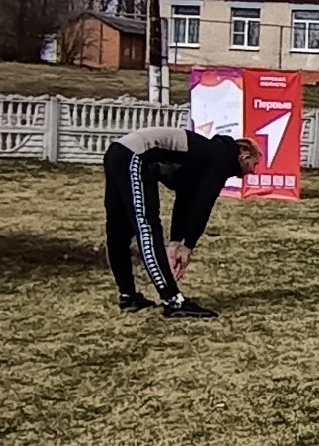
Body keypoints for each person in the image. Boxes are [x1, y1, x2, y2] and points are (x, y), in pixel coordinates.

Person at [104, 124, 259, 320]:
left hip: (119, 152)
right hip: (135, 156)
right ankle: (173, 301)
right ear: (244, 154)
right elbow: (204, 203)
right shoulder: (222, 158)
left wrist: (177, 241)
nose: (253, 170)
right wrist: (188, 246)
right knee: (147, 228)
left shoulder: (206, 154)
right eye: (255, 163)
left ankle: (128, 297)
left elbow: (185, 198)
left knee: (119, 228)